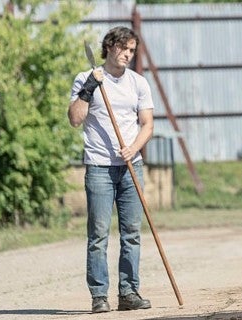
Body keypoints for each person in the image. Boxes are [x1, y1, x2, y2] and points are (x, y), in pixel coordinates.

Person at [68, 26, 154, 313]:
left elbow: (148, 124)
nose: (127, 55)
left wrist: (134, 147)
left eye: (131, 50)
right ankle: (99, 296)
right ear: (109, 47)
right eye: (123, 48)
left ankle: (129, 293)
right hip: (99, 167)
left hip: (131, 167)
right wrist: (89, 89)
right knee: (99, 233)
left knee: (131, 233)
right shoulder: (86, 78)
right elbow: (75, 119)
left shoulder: (138, 83)